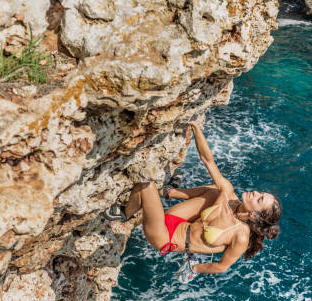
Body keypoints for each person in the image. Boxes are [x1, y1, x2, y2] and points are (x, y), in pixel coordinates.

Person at [103, 118, 282, 283]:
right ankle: (170, 192)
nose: (255, 192)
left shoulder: (240, 236)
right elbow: (208, 160)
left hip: (166, 237)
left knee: (146, 185)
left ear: (254, 216)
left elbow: (221, 267)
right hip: (177, 221)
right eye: (261, 193)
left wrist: (193, 268)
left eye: (259, 199)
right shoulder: (230, 196)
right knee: (217, 190)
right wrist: (196, 128)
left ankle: (126, 213)